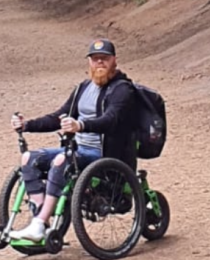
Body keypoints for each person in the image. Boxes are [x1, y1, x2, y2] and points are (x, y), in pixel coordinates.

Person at [9, 39, 137, 242]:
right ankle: (41, 218)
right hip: (78, 150)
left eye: (104, 58)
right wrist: (28, 125)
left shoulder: (122, 90)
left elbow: (111, 119)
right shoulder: (83, 88)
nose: (100, 63)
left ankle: (39, 223)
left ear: (114, 61)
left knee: (61, 161)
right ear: (89, 63)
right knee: (28, 158)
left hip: (103, 153)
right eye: (95, 59)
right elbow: (58, 117)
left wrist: (81, 125)